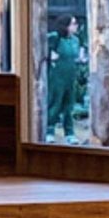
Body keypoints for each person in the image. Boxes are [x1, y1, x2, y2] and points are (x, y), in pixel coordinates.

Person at [45, 14, 85, 142]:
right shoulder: (55, 38)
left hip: (70, 76)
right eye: (73, 23)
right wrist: (51, 56)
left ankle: (69, 133)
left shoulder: (76, 40)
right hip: (56, 76)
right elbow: (44, 51)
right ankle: (49, 131)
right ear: (66, 25)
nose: (76, 26)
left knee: (69, 105)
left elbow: (77, 56)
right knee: (54, 103)